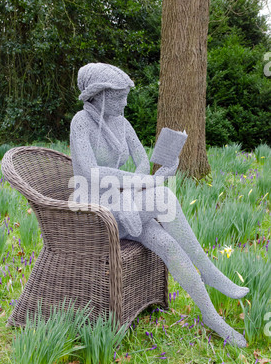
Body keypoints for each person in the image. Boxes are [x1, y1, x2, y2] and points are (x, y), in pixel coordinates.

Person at [70, 62, 249, 347]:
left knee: (168, 245)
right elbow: (93, 174)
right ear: (100, 95)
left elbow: (142, 160)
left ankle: (211, 315)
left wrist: (155, 175)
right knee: (163, 196)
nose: (126, 102)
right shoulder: (81, 123)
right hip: (94, 212)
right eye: (119, 96)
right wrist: (149, 184)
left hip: (123, 203)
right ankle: (210, 272)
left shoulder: (121, 122)